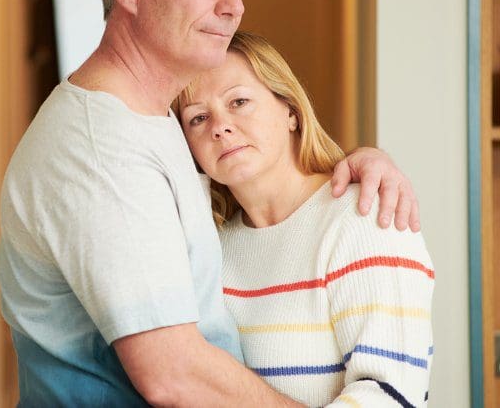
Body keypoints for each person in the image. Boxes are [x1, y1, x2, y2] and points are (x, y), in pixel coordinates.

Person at [0, 0, 420, 405]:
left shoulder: (150, 123)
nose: (233, 6)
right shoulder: (102, 148)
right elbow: (174, 375)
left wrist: (366, 159)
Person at [174, 31, 434, 407]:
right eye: (197, 117)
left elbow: (391, 395)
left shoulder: (363, 217)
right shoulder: (210, 250)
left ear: (291, 112)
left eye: (239, 101)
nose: (219, 125)